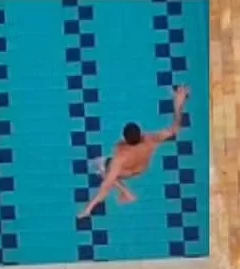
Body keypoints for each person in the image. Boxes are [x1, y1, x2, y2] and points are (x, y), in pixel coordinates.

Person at [78, 85, 191, 219]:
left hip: (126, 171)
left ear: (125, 138)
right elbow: (175, 129)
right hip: (141, 168)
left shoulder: (121, 156)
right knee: (109, 171)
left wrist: (88, 208)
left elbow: (106, 186)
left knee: (102, 167)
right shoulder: (150, 139)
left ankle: (127, 193)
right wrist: (178, 103)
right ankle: (126, 193)